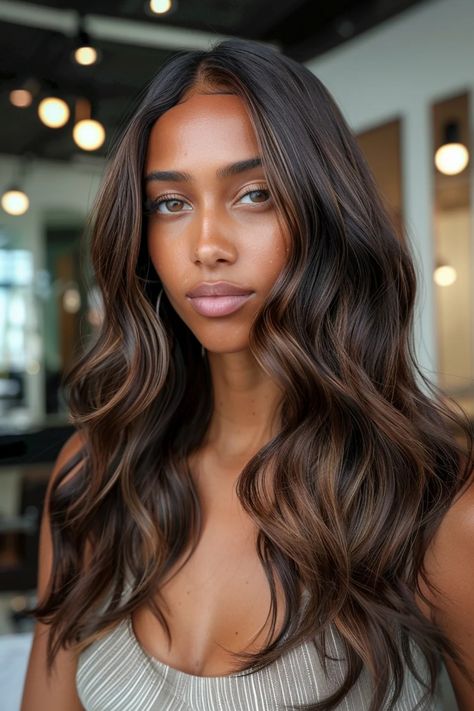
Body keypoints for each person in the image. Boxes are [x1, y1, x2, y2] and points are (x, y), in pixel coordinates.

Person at [21, 38, 474, 711]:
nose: (207, 245)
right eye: (171, 204)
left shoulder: (435, 509)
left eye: (254, 194)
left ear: (324, 214)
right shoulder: (94, 481)